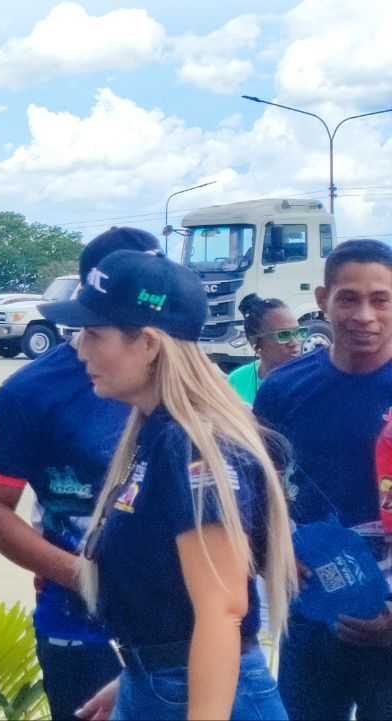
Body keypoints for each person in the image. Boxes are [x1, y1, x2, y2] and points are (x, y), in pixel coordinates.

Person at [42, 249, 296, 720]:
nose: (80, 349)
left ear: (148, 344)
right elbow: (170, 602)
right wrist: (136, 679)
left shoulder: (193, 444)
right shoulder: (157, 433)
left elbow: (222, 611)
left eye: (94, 333)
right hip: (159, 682)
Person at [0, 227, 160, 721]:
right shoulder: (30, 392)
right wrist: (82, 576)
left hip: (178, 631)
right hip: (82, 631)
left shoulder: (185, 384)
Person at [255, 239, 392, 720]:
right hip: (310, 616)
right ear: (322, 300)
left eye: (381, 299)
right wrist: (274, 555)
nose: (365, 315)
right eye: (348, 298)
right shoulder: (283, 389)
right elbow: (258, 491)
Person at [225, 295, 304, 404]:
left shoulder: (311, 379)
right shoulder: (237, 381)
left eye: (298, 332)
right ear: (255, 342)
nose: (294, 342)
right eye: (283, 335)